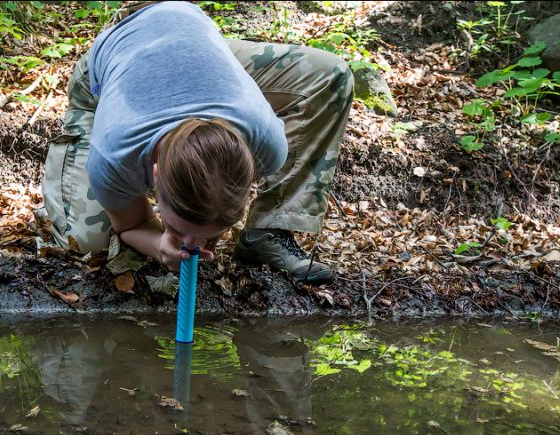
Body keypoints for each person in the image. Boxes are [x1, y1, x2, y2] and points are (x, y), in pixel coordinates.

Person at [39, 1, 353, 283]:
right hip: (120, 52)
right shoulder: (116, 151)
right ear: (156, 175)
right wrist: (160, 245)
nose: (192, 247)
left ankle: (267, 234)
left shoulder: (266, 144)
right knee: (88, 239)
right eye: (178, 231)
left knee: (331, 75)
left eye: (203, 238)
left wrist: (193, 231)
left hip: (193, 40)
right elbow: (129, 226)